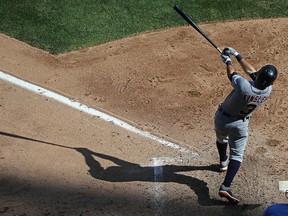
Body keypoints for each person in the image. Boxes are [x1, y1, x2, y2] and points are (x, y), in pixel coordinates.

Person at [214, 47, 278, 204]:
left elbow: (232, 73)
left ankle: (223, 161)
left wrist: (227, 60)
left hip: (223, 119)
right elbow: (253, 72)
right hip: (241, 124)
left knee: (221, 139)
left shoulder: (243, 85)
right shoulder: (267, 90)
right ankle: (226, 186)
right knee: (237, 155)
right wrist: (236, 55)